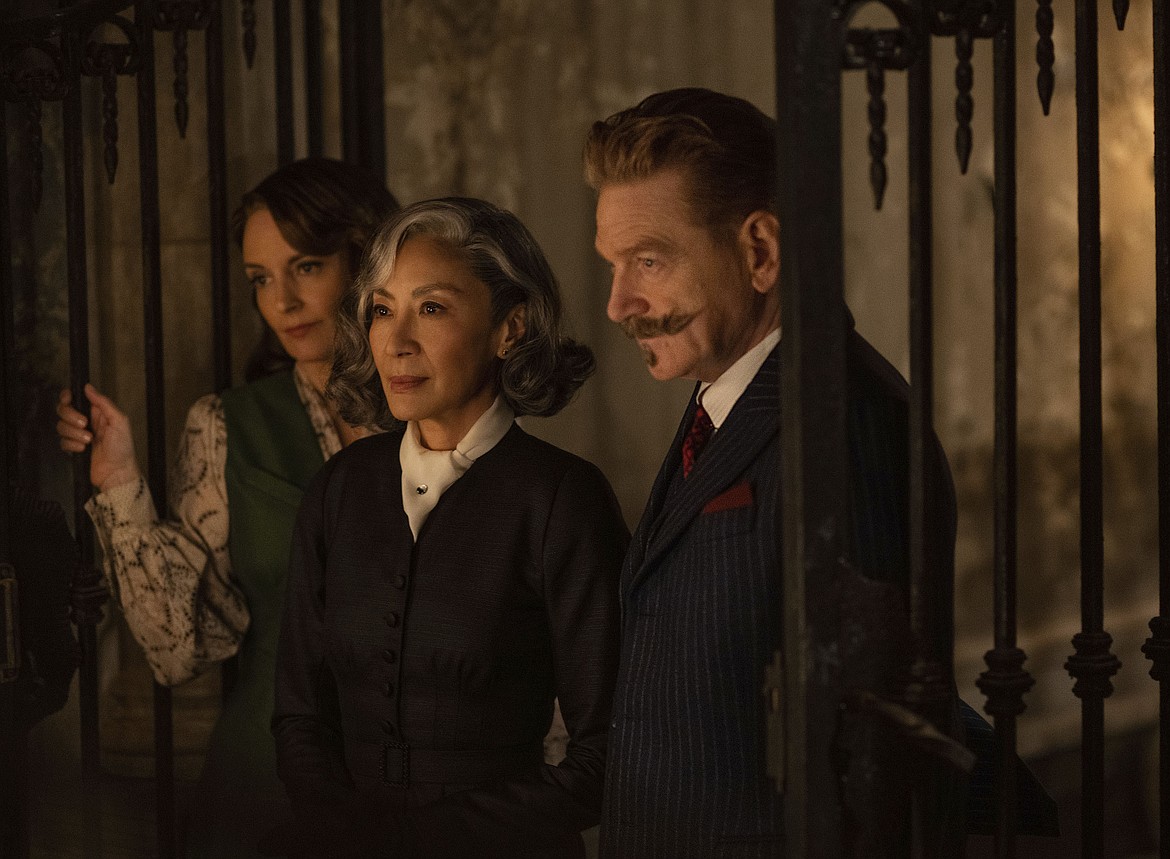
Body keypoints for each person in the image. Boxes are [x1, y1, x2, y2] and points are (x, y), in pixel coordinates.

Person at [585, 88, 966, 856]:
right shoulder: (726, 402)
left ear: (760, 251)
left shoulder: (847, 421)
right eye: (613, 266)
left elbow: (876, 756)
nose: (619, 303)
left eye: (648, 260)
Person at [54, 157, 399, 858]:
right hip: (265, 783)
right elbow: (179, 650)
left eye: (305, 267)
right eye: (260, 280)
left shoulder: (439, 408)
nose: (282, 302)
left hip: (424, 780)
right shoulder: (225, 426)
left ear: (363, 260)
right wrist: (117, 477)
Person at [271, 197, 627, 858]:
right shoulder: (338, 489)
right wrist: (343, 833)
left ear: (508, 328)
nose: (397, 340)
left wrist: (412, 840)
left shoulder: (562, 499)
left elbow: (610, 753)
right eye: (382, 309)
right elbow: (298, 713)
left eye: (431, 308)